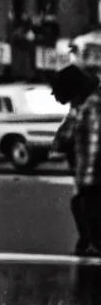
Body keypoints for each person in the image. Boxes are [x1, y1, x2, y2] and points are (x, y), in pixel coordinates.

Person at [50, 64, 101, 257]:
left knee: (87, 207)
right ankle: (89, 244)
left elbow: (94, 146)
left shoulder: (91, 106)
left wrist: (88, 180)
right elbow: (63, 138)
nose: (57, 99)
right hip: (89, 177)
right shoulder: (82, 103)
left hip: (94, 179)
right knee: (80, 205)